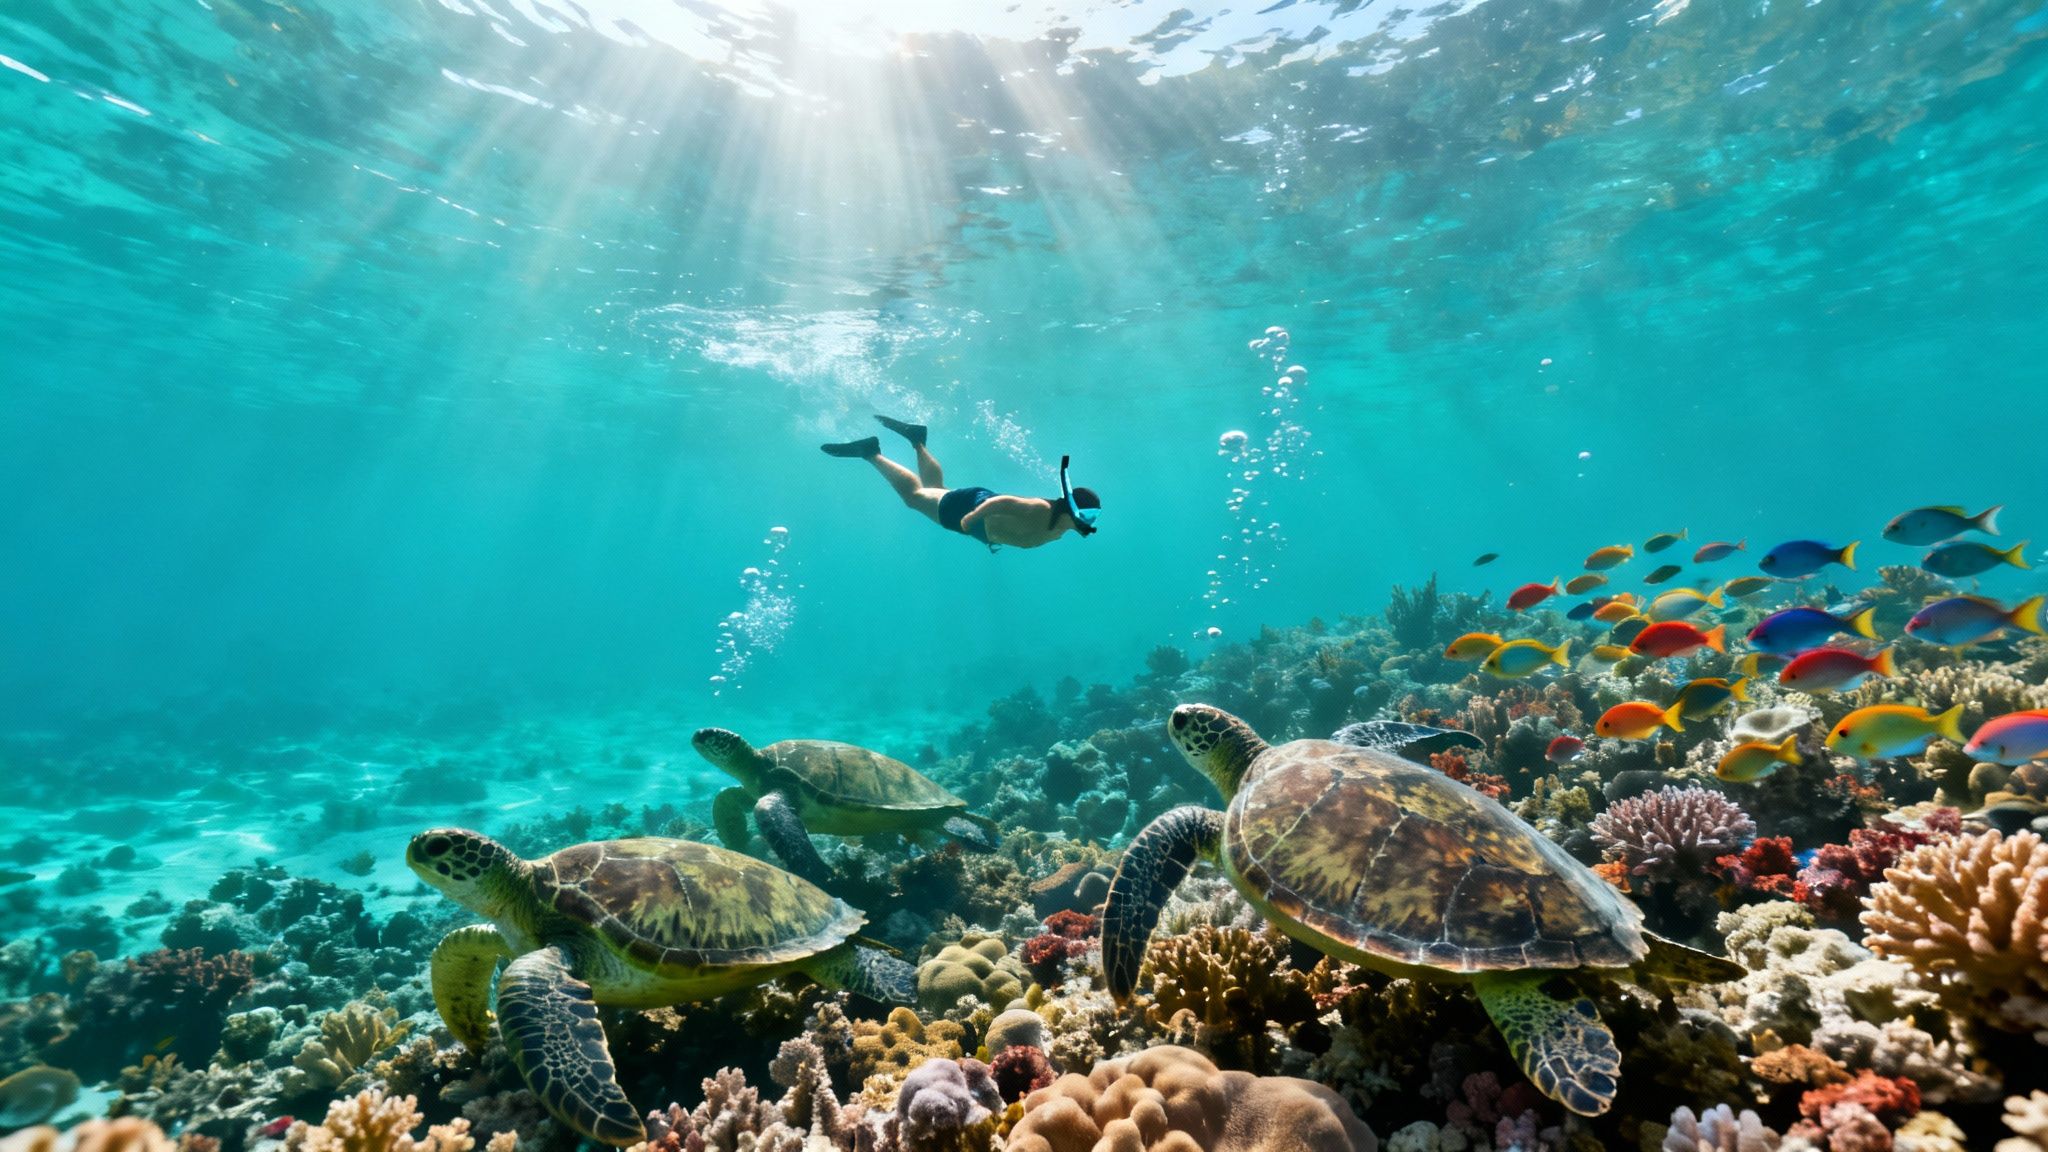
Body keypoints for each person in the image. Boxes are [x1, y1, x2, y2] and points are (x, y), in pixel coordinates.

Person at [822, 416, 1101, 550]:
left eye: (1093, 517)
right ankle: (871, 452)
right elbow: (1002, 502)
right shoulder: (1041, 509)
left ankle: (917, 439)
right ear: (1073, 508)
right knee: (915, 497)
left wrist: (987, 536)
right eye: (1088, 514)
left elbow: (1014, 530)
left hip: (977, 522)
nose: (1090, 522)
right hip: (971, 510)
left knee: (936, 491)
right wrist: (972, 517)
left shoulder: (1058, 529)